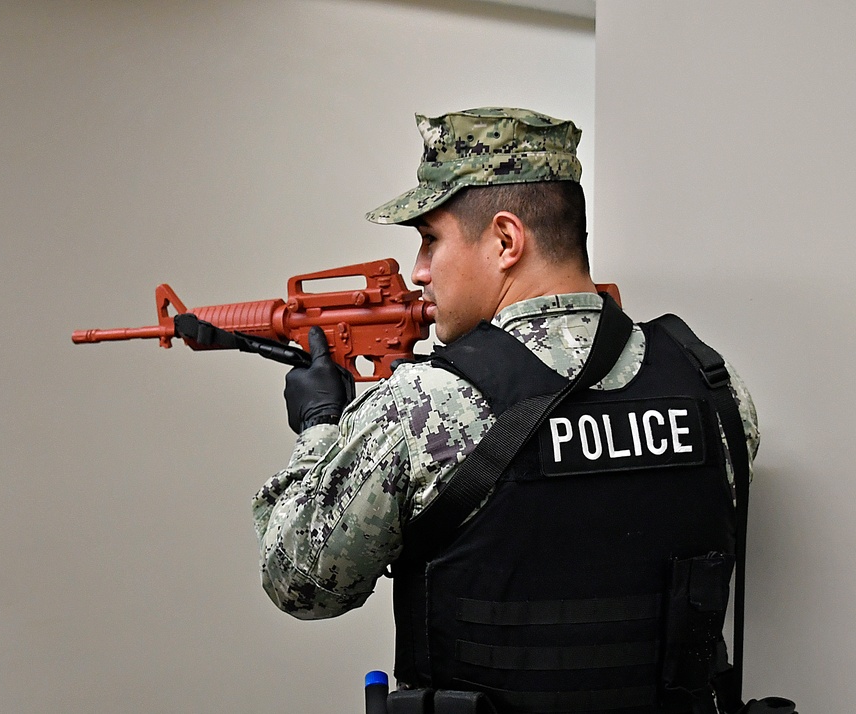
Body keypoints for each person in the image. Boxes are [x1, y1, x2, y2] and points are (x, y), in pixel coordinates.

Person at [252, 108, 758, 713]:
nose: (418, 272)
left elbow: (299, 580)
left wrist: (319, 427)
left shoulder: (426, 407)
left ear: (505, 240)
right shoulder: (712, 384)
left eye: (430, 239)